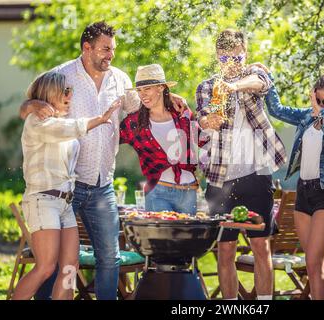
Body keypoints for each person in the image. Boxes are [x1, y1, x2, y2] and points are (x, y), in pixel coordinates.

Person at [19, 21, 187, 300]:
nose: (110, 55)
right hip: (67, 185)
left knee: (109, 257)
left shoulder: (120, 80)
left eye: (113, 49)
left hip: (102, 185)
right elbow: (29, 105)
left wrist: (168, 97)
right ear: (87, 48)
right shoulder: (61, 76)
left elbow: (145, 102)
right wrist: (31, 105)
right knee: (55, 263)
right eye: (105, 49)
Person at [195, 29, 287, 300]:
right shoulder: (206, 87)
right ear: (217, 56)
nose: (232, 63)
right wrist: (206, 122)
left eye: (238, 57)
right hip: (220, 177)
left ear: (245, 55)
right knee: (225, 250)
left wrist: (233, 86)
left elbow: (261, 84)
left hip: (255, 175)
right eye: (225, 58)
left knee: (260, 245)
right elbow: (202, 119)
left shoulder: (255, 76)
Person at [13, 71, 121, 300]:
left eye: (70, 91)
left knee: (70, 265)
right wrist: (99, 119)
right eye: (65, 91)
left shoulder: (61, 121)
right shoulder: (37, 121)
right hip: (43, 200)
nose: (69, 95)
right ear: (49, 93)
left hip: (64, 203)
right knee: (46, 267)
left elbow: (67, 131)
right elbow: (67, 130)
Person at [259, 66, 324, 300]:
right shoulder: (305, 116)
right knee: (321, 266)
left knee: (313, 266)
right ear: (314, 94)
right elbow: (276, 110)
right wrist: (267, 76)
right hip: (304, 193)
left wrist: (322, 113)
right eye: (322, 101)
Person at [120, 64, 204, 214]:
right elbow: (108, 139)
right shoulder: (134, 123)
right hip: (158, 193)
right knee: (160, 237)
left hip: (189, 192)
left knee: (188, 237)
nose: (142, 94)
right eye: (139, 90)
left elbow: (204, 140)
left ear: (161, 87)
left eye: (147, 89)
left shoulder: (182, 113)